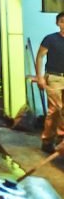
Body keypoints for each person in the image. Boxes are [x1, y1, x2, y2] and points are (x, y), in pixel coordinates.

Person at [36, 12, 64, 153]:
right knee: (56, 110)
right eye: (62, 21)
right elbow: (40, 57)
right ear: (58, 23)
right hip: (54, 78)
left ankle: (60, 140)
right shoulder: (50, 39)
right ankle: (47, 140)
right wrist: (39, 77)